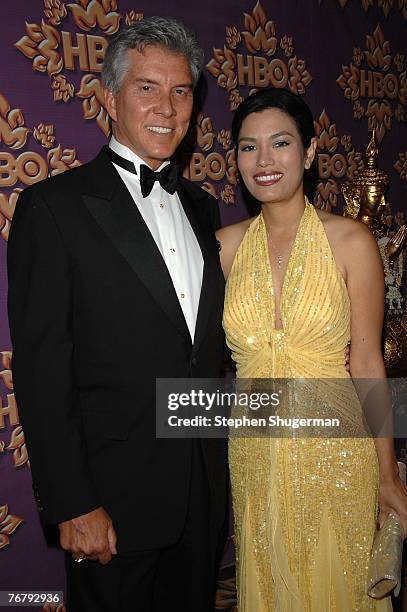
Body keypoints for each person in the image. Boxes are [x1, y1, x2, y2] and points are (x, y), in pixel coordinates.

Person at [7, 17, 227, 612]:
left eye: (181, 91)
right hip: (110, 504)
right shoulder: (53, 208)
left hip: (202, 495)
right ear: (109, 98)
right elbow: (42, 368)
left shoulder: (205, 212)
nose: (167, 106)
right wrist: (73, 502)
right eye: (147, 87)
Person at [216, 88, 407, 611]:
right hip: (254, 453)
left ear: (310, 150)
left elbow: (369, 363)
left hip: (338, 457)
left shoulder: (351, 242)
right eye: (248, 147)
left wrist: (388, 478)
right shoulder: (224, 248)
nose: (264, 161)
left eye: (280, 143)